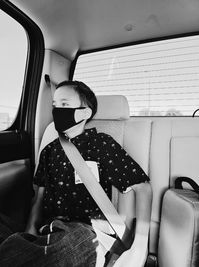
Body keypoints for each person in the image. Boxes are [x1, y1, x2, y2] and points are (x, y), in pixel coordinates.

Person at [25, 80, 152, 266]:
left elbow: (143, 188)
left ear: (84, 113)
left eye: (64, 104)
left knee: (73, 242)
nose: (57, 110)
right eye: (55, 105)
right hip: (49, 230)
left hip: (86, 231)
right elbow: (39, 196)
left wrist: (140, 245)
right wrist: (29, 229)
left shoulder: (101, 144)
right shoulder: (49, 150)